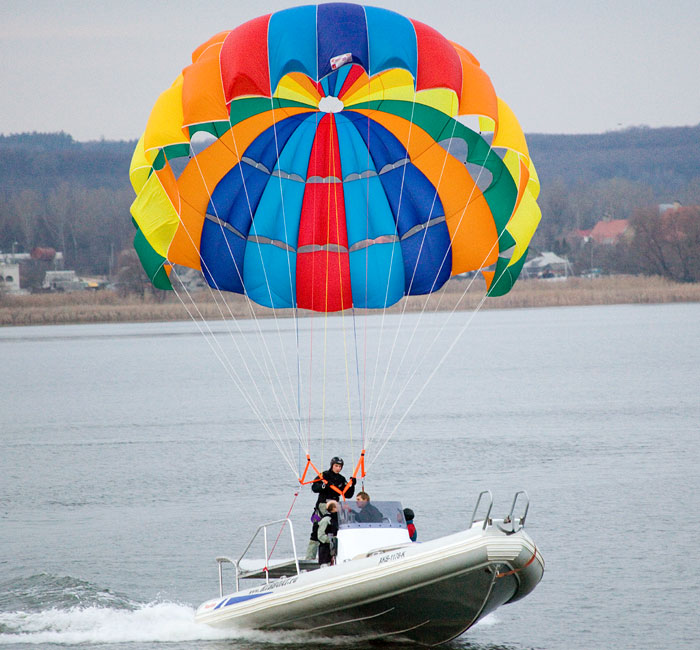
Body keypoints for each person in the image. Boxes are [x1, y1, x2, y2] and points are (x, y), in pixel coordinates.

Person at [307, 457, 356, 560]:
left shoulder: (341, 479)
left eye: (340, 467)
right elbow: (314, 488)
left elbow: (348, 494)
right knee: (316, 530)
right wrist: (325, 485)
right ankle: (310, 558)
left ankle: (333, 557)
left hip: (335, 506)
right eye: (336, 466)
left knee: (333, 530)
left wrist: (352, 485)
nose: (338, 468)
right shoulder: (324, 475)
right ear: (332, 465)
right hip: (323, 505)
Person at [317, 500, 339, 566]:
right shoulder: (326, 519)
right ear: (334, 508)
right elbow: (320, 536)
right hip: (325, 551)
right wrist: (332, 540)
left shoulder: (338, 519)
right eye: (338, 506)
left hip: (333, 550)